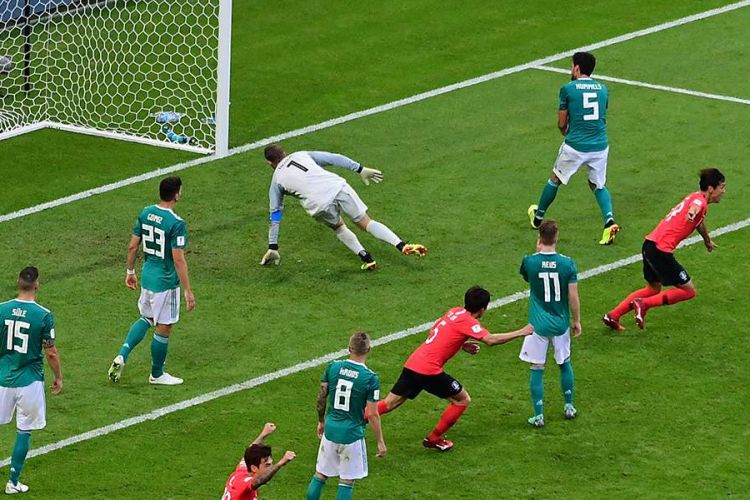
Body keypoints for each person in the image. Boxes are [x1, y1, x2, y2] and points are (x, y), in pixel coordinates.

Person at [370, 287, 532, 451]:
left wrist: (460, 343)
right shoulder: (469, 322)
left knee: (390, 403)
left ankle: (351, 420)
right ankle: (434, 438)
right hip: (429, 371)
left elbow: (438, 329)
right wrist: (521, 332)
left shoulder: (454, 311)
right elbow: (490, 340)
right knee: (462, 400)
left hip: (414, 362)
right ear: (483, 309)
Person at [261, 144, 427, 271]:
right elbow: (334, 158)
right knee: (366, 223)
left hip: (318, 205)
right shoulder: (303, 155)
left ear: (269, 163)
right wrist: (360, 169)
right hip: (338, 188)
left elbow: (275, 215)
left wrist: (273, 246)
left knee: (339, 227)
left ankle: (367, 258)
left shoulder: (276, 181)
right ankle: (401, 245)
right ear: (284, 152)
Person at [603, 168, 726, 331]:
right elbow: (695, 211)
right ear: (711, 188)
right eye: (722, 187)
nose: (723, 191)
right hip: (661, 251)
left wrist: (707, 240)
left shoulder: (695, 197)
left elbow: (698, 222)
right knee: (689, 291)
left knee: (653, 288)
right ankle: (644, 304)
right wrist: (691, 214)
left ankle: (613, 315)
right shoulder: (699, 202)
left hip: (649, 245)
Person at [108, 176, 196, 385]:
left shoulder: (146, 212)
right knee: (164, 326)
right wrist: (187, 290)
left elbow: (132, 246)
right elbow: (178, 258)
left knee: (146, 318)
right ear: (176, 194)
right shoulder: (176, 223)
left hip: (147, 277)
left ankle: (122, 354)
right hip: (165, 282)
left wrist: (130, 271)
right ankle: (157, 374)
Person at [527, 51, 620, 245]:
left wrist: (567, 133)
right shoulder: (603, 89)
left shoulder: (568, 89)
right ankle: (609, 221)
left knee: (555, 179)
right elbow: (602, 115)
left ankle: (538, 218)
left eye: (571, 66)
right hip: (600, 145)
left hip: (575, 145)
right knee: (597, 185)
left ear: (577, 68)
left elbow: (562, 123)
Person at [0, 267, 63, 494]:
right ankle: (13, 482)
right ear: (37, 284)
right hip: (29, 381)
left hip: (2, 379)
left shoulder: (1, 310)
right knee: (24, 429)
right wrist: (58, 377)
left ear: (18, 283)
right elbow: (51, 352)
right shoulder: (43, 315)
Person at [306, 332, 385, 500]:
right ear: (369, 349)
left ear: (349, 348)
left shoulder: (333, 367)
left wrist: (321, 421)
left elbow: (321, 397)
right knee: (346, 481)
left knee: (320, 475)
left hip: (331, 430)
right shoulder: (370, 378)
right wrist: (380, 441)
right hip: (352, 434)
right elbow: (372, 414)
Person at [518, 221, 581, 428]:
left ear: (539, 238)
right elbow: (573, 296)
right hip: (561, 323)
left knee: (537, 368)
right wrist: (576, 321)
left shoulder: (529, 261)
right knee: (564, 363)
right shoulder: (568, 264)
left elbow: (528, 279)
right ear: (557, 237)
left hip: (537, 325)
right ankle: (569, 406)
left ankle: (538, 415)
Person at [222, 423, 296, 499]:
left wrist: (264, 434)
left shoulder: (242, 470)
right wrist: (281, 463)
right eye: (267, 465)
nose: (270, 468)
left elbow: (249, 453)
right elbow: (259, 481)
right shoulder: (244, 483)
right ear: (254, 468)